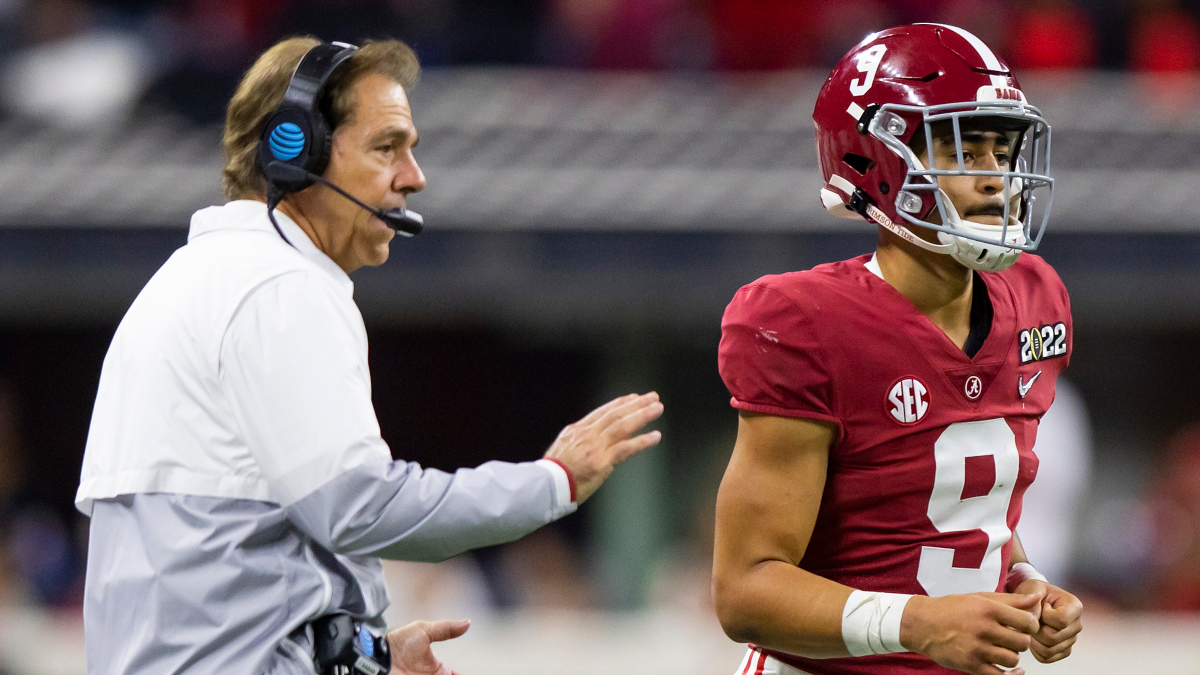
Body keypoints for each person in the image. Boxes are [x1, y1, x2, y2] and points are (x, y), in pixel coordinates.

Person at [75, 37, 663, 675]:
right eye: (388, 147)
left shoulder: (185, 282)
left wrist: (366, 654)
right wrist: (552, 481)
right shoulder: (281, 287)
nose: (414, 176)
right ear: (294, 151)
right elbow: (359, 507)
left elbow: (224, 569)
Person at [712, 24, 1084, 675]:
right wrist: (918, 623)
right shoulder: (806, 321)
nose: (997, 179)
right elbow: (745, 590)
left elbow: (958, 505)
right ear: (878, 158)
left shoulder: (1036, 296)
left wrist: (1023, 577)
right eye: (966, 151)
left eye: (1003, 152)